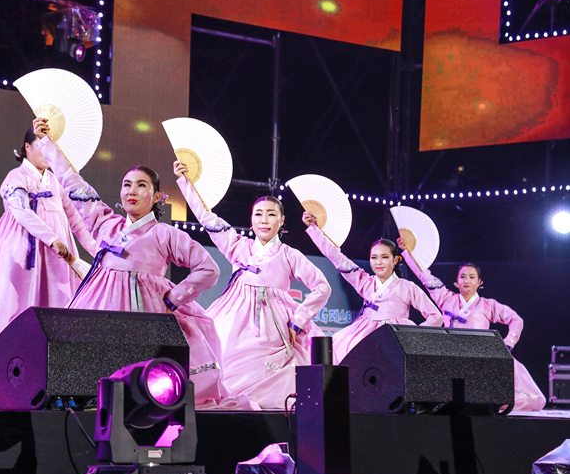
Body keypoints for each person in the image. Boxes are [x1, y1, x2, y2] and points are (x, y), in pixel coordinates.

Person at [34, 118, 246, 409]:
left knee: (139, 385)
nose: (132, 190)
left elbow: (209, 269)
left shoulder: (165, 234)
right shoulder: (105, 223)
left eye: (141, 185)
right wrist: (46, 143)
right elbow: (74, 182)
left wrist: (174, 298)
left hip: (143, 314)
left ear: (156, 196)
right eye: (127, 185)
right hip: (98, 309)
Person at [0, 127, 97, 402]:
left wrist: (98, 253)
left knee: (57, 313)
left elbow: (78, 222)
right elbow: (19, 210)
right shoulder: (16, 177)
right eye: (41, 146)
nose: (47, 153)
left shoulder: (55, 181)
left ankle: (53, 383)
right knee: (11, 311)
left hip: (56, 258)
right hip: (20, 253)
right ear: (27, 148)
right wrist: (51, 238)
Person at [174, 161, 331, 409]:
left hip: (274, 325)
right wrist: (185, 182)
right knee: (220, 359)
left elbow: (322, 287)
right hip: (233, 318)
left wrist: (298, 320)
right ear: (251, 220)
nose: (264, 220)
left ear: (282, 220)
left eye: (271, 214)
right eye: (258, 214)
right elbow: (207, 218)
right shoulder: (238, 246)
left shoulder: (290, 255)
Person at [398, 241, 546, 411]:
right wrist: (407, 253)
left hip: (481, 357)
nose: (466, 280)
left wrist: (508, 343)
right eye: (462, 277)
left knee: (529, 398)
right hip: (451, 356)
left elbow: (516, 320)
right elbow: (425, 275)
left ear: (479, 282)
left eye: (471, 277)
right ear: (456, 281)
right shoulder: (446, 299)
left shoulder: (488, 305)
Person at [304, 213, 443, 364]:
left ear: (395, 260)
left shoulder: (407, 287)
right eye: (374, 257)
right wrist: (314, 229)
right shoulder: (365, 282)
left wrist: (414, 335)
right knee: (342, 357)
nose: (378, 262)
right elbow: (337, 258)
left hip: (397, 335)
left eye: (384, 257)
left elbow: (436, 316)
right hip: (364, 334)